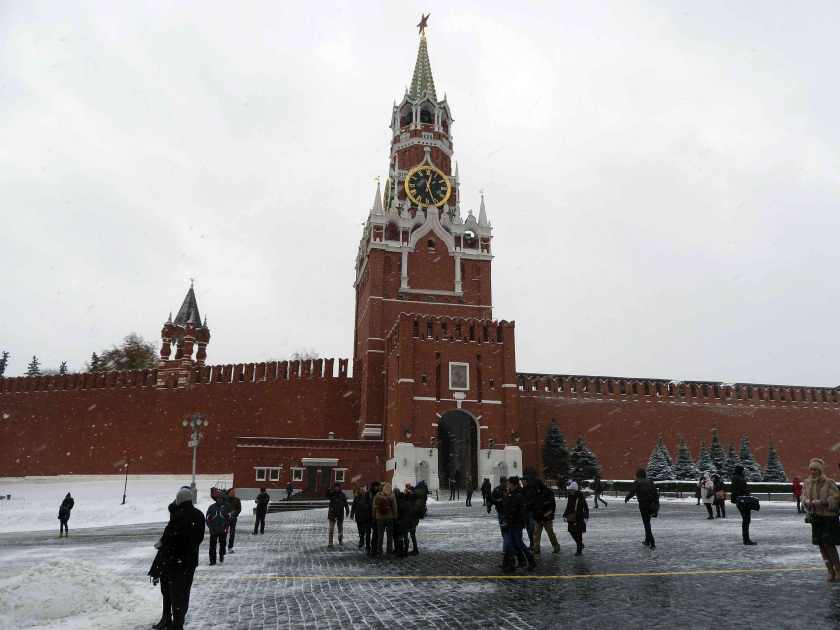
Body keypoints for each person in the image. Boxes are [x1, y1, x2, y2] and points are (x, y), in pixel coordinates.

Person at [157, 486, 205, 630]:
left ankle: (175, 623)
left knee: (173, 593)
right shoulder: (197, 515)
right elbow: (198, 538)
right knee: (182, 593)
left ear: (179, 500)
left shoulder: (180, 515)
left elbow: (171, 536)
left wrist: (167, 544)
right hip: (187, 562)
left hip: (174, 561)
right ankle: (176, 621)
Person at [802, 458, 840, 581]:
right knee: (821, 546)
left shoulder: (829, 482)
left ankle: (838, 569)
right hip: (816, 518)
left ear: (820, 470)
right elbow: (803, 496)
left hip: (829, 518)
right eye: (811, 469)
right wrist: (806, 502)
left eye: (815, 469)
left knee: (829, 544)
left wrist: (823, 502)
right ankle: (829, 570)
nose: (813, 471)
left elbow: (836, 498)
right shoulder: (807, 483)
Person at [502, 476, 536, 572]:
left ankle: (530, 561)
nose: (508, 485)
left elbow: (521, 511)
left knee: (518, 543)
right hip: (510, 523)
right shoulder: (510, 494)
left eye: (509, 484)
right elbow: (506, 508)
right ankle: (517, 562)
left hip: (516, 524)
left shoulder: (518, 495)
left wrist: (521, 522)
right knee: (512, 544)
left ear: (514, 485)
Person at [625, 468, 659, 551]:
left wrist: (627, 498)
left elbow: (632, 492)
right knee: (648, 522)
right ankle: (647, 541)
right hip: (651, 505)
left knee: (646, 524)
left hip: (643, 505)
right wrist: (656, 507)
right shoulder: (650, 481)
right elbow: (655, 494)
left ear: (638, 475)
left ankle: (652, 542)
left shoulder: (637, 482)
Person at [531, 478, 560, 554]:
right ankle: (536, 548)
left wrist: (547, 513)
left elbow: (552, 505)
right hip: (539, 516)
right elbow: (533, 504)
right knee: (537, 534)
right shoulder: (535, 492)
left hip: (546, 516)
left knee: (549, 533)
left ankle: (556, 546)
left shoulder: (548, 492)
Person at [730, 465, 756, 545]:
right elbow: (742, 489)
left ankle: (746, 539)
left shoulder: (736, 477)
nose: (744, 471)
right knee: (746, 520)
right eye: (743, 470)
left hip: (740, 500)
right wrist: (747, 493)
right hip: (743, 501)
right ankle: (746, 539)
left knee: (746, 520)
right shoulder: (739, 478)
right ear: (740, 471)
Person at [564, 481, 590, 555]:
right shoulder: (570, 496)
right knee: (571, 531)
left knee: (578, 533)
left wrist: (586, 515)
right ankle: (580, 544)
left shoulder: (580, 496)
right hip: (571, 517)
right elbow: (568, 506)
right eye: (570, 490)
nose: (570, 491)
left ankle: (579, 549)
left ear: (575, 490)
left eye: (572, 490)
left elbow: (585, 506)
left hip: (579, 516)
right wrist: (565, 514)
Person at [373, 482, 398, 556]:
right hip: (389, 518)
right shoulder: (392, 495)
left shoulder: (378, 495)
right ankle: (389, 551)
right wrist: (395, 516)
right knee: (389, 535)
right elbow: (395, 507)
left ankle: (379, 551)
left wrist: (374, 515)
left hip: (379, 518)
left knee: (380, 535)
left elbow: (374, 506)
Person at [205, 494, 230, 565]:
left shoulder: (226, 507)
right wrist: (210, 527)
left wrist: (226, 527)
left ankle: (221, 555)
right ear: (216, 499)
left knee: (222, 545)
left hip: (223, 530)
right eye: (218, 498)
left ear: (223, 499)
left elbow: (228, 518)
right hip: (213, 530)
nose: (219, 500)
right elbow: (207, 518)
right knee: (212, 546)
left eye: (220, 498)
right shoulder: (211, 507)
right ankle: (212, 560)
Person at [326, 483, 350, 547]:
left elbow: (346, 503)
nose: (336, 488)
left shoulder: (342, 495)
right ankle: (330, 542)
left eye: (338, 487)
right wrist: (328, 490)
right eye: (335, 487)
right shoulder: (332, 494)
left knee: (340, 529)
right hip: (332, 514)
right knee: (331, 529)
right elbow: (327, 496)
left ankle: (340, 540)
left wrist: (347, 510)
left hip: (340, 514)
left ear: (339, 487)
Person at [350, 484, 372, 552]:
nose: (362, 490)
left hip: (367, 517)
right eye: (361, 488)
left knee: (367, 531)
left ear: (366, 489)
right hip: (359, 516)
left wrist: (367, 507)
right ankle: (361, 540)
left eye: (364, 488)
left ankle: (368, 546)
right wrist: (352, 513)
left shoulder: (369, 496)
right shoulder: (357, 497)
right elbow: (354, 505)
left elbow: (371, 505)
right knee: (360, 530)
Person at [396, 485, 415, 557]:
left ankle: (401, 552)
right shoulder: (409, 504)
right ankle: (405, 552)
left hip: (401, 523)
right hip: (407, 523)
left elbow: (398, 514)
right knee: (406, 537)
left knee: (400, 537)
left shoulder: (400, 504)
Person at [225, 489, 242, 553]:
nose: (233, 493)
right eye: (232, 492)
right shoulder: (225, 499)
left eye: (234, 492)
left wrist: (234, 513)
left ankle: (230, 547)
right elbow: (222, 508)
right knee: (224, 533)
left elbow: (239, 509)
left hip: (233, 519)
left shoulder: (237, 500)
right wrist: (227, 513)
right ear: (229, 493)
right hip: (226, 519)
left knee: (232, 533)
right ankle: (223, 546)